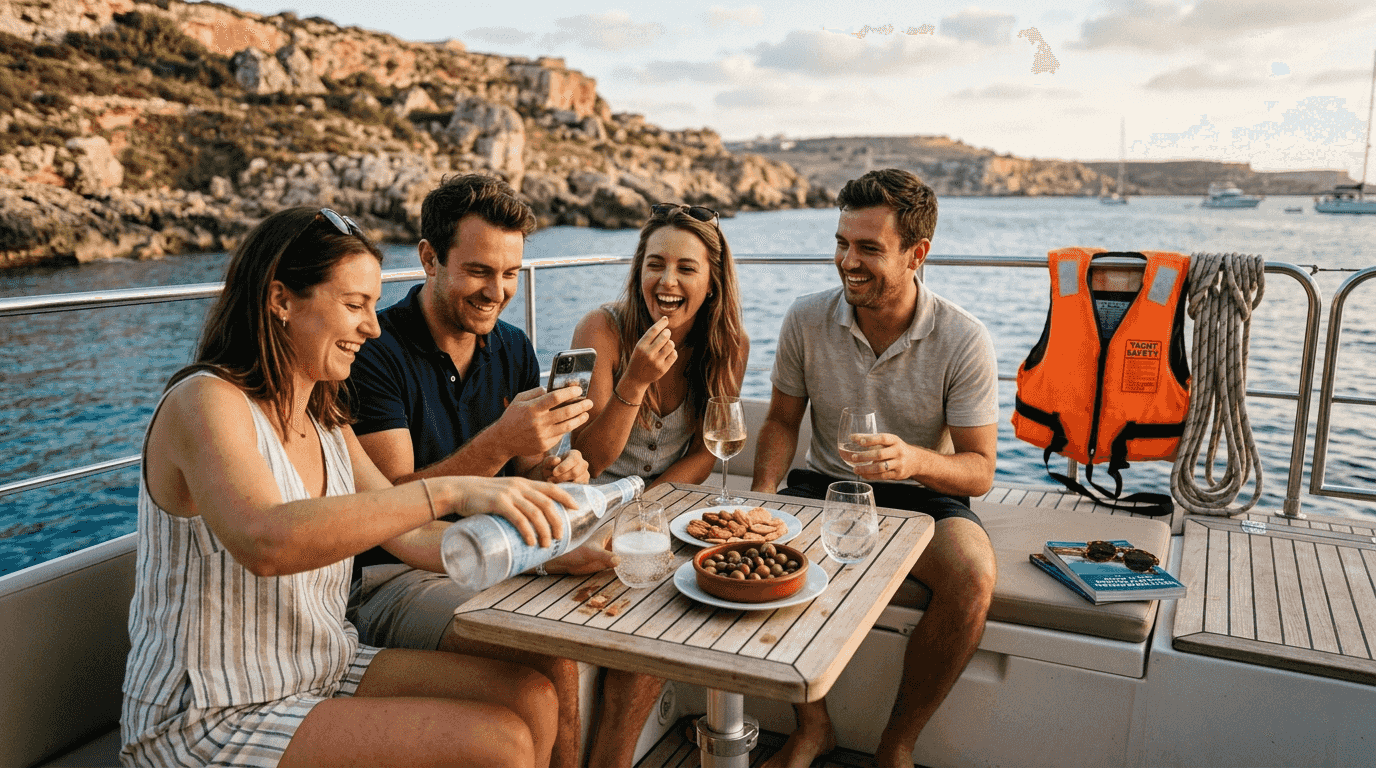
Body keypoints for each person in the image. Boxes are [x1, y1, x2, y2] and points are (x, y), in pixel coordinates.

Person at [121, 206, 566, 768]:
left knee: (533, 696)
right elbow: (266, 541)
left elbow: (413, 537)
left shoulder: (325, 417)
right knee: (498, 744)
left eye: (375, 306)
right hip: (212, 713)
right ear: (281, 300)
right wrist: (452, 490)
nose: (373, 328)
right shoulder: (204, 402)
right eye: (355, 305)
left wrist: (548, 548)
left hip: (321, 667)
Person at [344, 175, 647, 768]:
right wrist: (501, 440)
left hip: (500, 552)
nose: (498, 291)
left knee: (632, 595)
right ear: (429, 258)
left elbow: (528, 469)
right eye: (480, 271)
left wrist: (556, 471)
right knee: (550, 649)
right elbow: (393, 506)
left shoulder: (510, 345)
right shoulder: (375, 352)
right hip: (395, 575)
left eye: (510, 273)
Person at [751, 169, 1000, 768]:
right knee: (762, 564)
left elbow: (980, 470)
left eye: (868, 248)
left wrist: (914, 459)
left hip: (923, 492)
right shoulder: (805, 318)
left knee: (972, 577)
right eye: (842, 243)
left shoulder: (964, 338)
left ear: (918, 254)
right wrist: (761, 496)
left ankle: (897, 746)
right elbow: (782, 421)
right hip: (824, 486)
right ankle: (813, 727)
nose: (847, 262)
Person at [569, 202, 749, 486]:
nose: (667, 281)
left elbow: (704, 454)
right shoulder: (599, 329)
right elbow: (589, 460)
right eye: (655, 265)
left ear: (712, 282)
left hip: (665, 497)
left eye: (686, 269)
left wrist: (651, 504)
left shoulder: (731, 343)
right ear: (639, 270)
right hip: (593, 494)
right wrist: (634, 381)